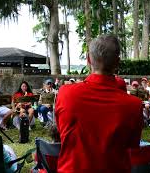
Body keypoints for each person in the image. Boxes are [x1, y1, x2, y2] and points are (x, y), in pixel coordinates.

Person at [55, 35, 143, 172]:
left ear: (89, 59)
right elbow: (132, 146)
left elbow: (62, 133)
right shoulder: (134, 105)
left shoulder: (65, 94)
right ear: (117, 62)